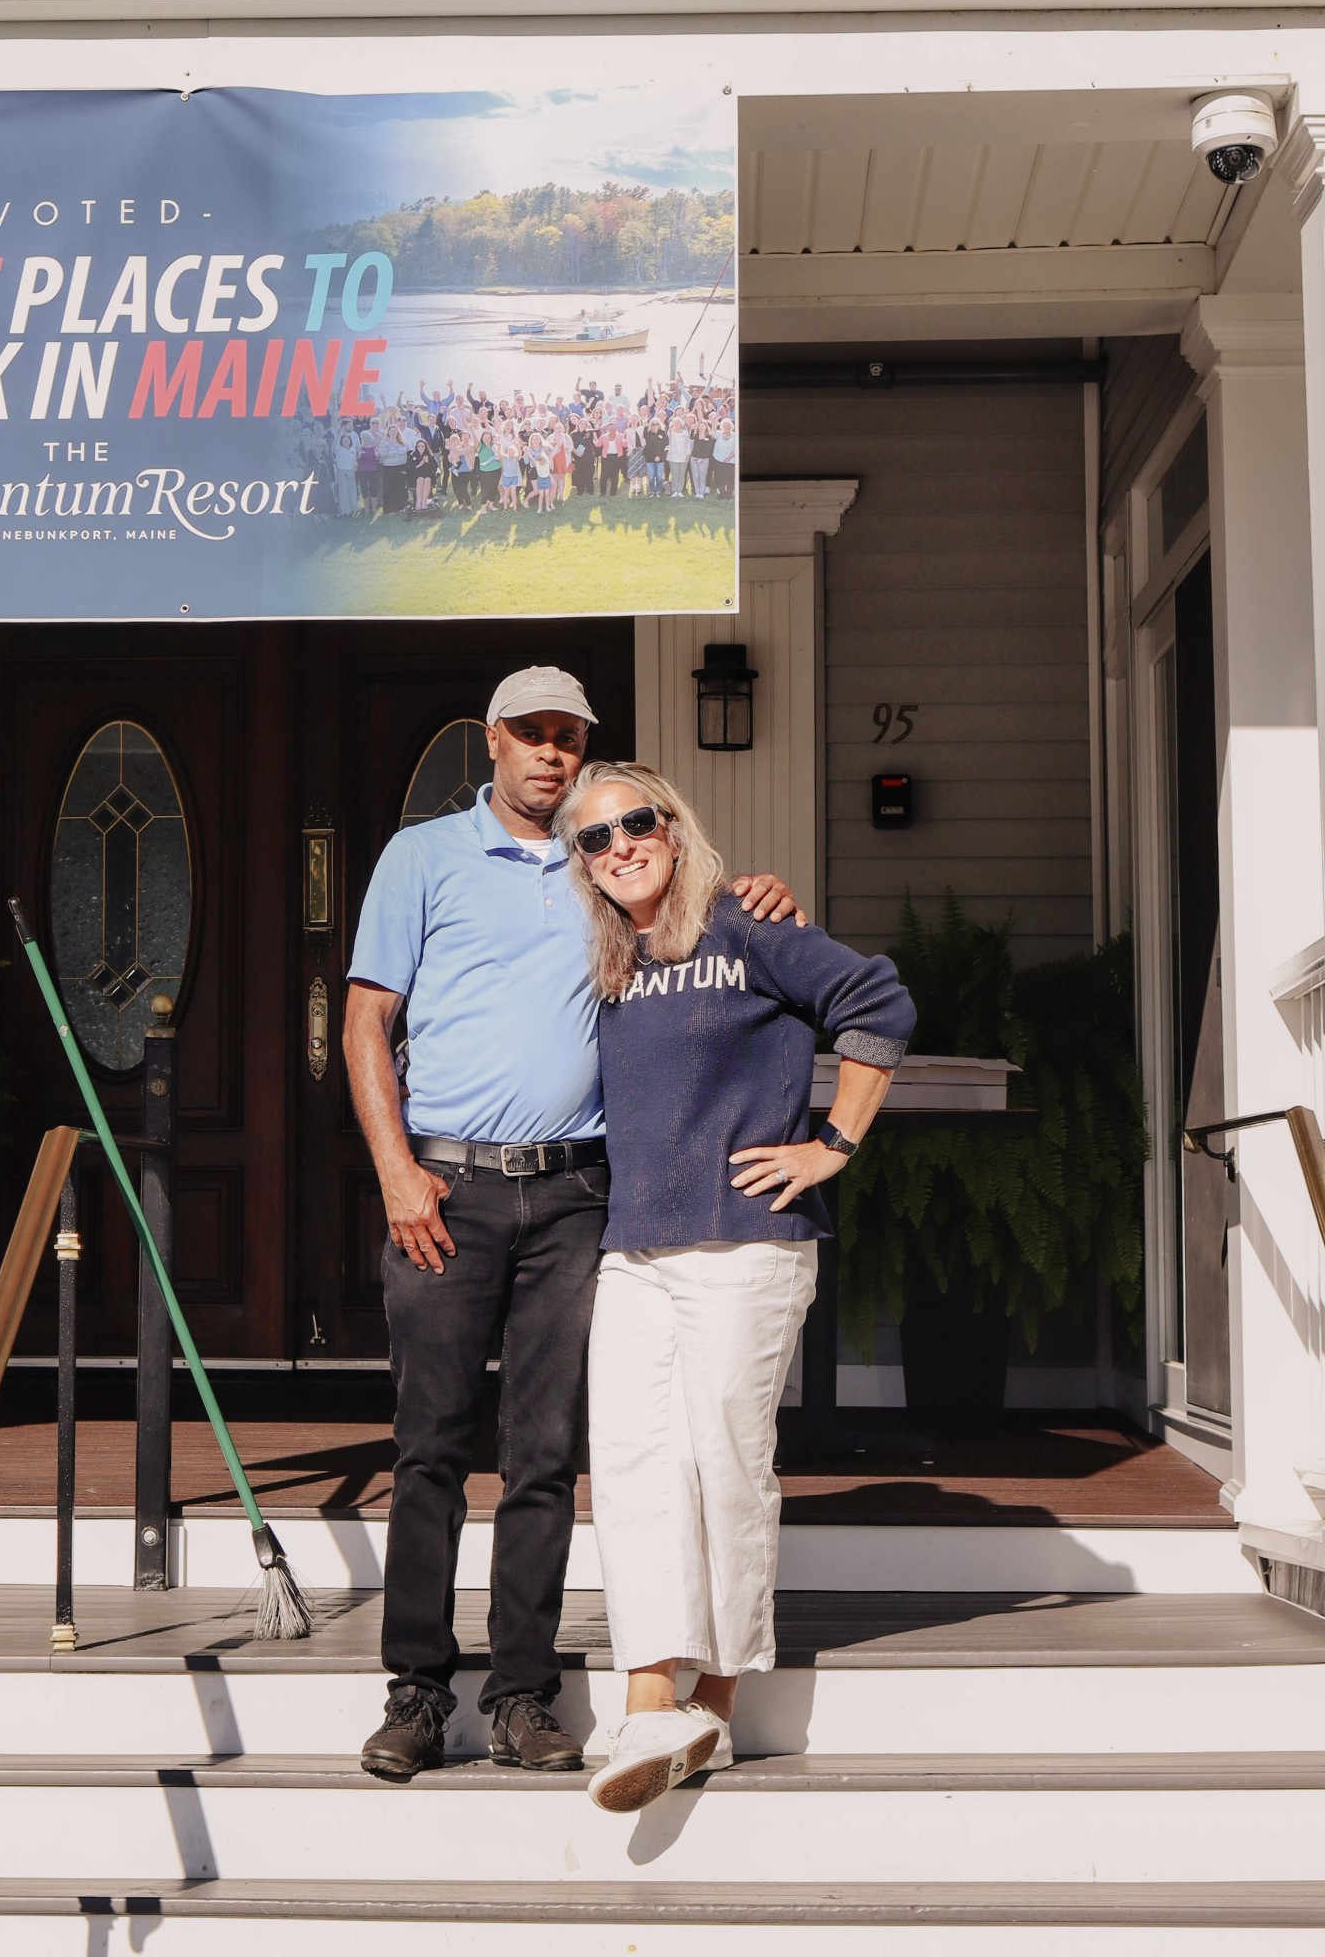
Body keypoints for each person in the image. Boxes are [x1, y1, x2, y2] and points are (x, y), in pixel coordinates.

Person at [344, 671, 800, 1784]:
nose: (552, 755)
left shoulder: (607, 855)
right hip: (445, 1190)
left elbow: (695, 918)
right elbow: (366, 1020)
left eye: (571, 738)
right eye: (534, 736)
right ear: (491, 741)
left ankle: (521, 1695)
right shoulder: (422, 857)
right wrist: (397, 1172)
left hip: (576, 1195)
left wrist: (761, 896)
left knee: (543, 1455)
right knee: (431, 1450)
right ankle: (415, 1691)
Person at [552, 761, 913, 1814]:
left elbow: (877, 1000)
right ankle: (649, 1699)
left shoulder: (742, 923)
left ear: (673, 822)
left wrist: (832, 1142)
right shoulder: (614, 959)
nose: (619, 844)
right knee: (628, 1464)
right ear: (580, 863)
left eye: (635, 822)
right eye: (594, 837)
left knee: (723, 1460)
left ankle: (714, 1696)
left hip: (746, 1242)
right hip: (639, 1246)